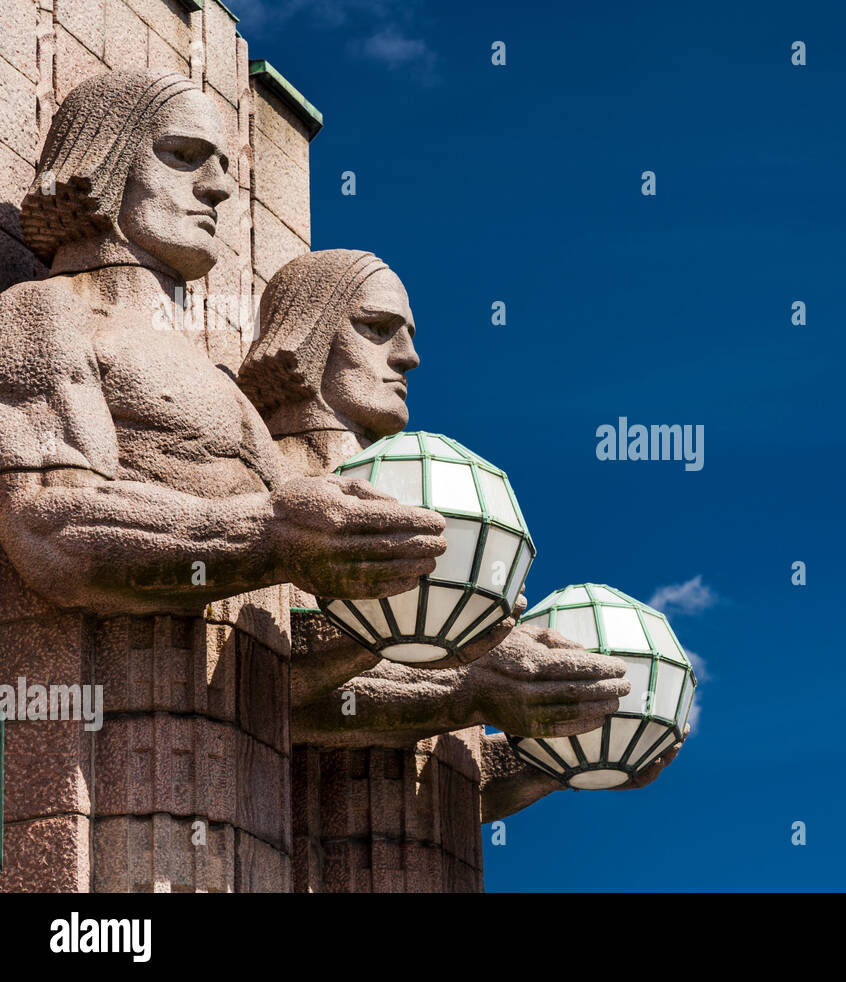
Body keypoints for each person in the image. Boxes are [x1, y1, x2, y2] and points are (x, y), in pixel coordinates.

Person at [239, 250, 680, 824]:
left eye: (409, 335)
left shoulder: (442, 505)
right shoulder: (274, 484)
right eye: (376, 329)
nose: (408, 357)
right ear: (307, 329)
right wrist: (475, 686)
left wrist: (561, 749)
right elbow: (261, 678)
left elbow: (445, 778)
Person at [0, 71, 443, 614]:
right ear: (101, 162)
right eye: (183, 155)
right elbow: (47, 525)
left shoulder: (221, 383)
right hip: (112, 688)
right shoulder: (48, 310)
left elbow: (283, 604)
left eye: (224, 166)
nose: (218, 187)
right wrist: (272, 533)